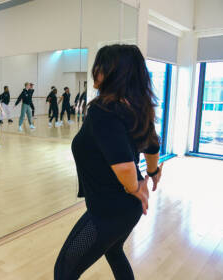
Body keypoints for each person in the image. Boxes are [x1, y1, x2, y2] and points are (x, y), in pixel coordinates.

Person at [54, 44, 163, 280]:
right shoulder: (136, 107)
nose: (95, 71)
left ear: (115, 72)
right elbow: (153, 145)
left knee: (63, 271)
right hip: (126, 209)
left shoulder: (103, 110)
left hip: (109, 210)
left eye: (100, 66)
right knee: (113, 252)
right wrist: (152, 174)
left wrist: (135, 187)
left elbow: (124, 166)